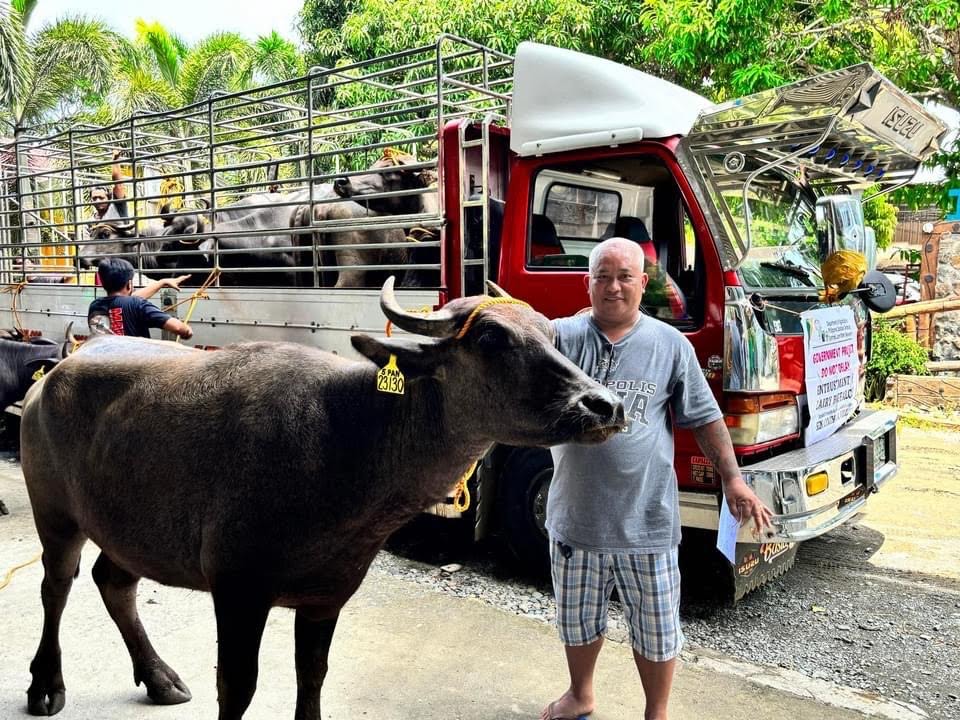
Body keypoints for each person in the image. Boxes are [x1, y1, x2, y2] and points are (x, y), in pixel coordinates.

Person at [540, 237, 772, 720]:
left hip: (647, 520)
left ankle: (657, 713)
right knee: (577, 620)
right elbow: (513, 343)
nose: (613, 286)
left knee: (657, 627)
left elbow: (705, 418)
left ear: (644, 284)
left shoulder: (670, 345)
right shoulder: (560, 339)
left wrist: (732, 479)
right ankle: (581, 694)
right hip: (575, 518)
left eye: (625, 276)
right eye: (602, 276)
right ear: (587, 283)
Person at [88, 258, 193, 340]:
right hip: (134, 366)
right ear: (129, 284)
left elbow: (126, 301)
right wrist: (187, 331)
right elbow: (178, 328)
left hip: (104, 364)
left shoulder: (95, 305)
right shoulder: (137, 304)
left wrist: (162, 282)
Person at [89, 150, 129, 223]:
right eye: (94, 198)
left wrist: (115, 160)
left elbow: (119, 185)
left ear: (109, 198)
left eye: (101, 198)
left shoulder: (117, 208)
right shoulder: (90, 222)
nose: (97, 201)